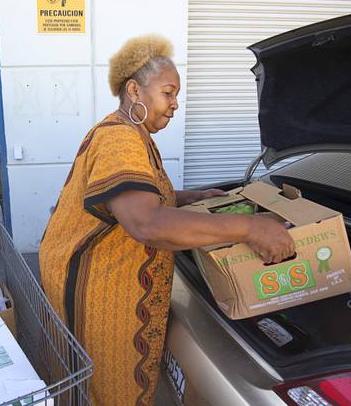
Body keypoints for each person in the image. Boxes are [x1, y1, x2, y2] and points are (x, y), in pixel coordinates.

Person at [39, 35, 294, 405]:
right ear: (134, 91)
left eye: (176, 95)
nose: (175, 105)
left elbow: (137, 199)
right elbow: (147, 223)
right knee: (106, 389)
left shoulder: (135, 135)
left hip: (109, 281)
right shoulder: (120, 140)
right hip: (97, 292)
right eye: (168, 93)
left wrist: (190, 198)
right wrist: (251, 227)